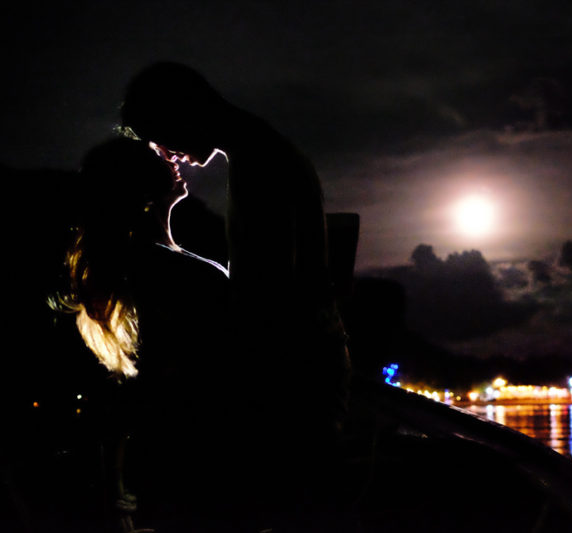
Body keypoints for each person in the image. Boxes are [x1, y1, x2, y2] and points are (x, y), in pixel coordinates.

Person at [120, 62, 352, 530]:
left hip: (294, 382)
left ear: (182, 110)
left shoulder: (259, 164)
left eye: (159, 135)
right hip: (304, 370)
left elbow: (265, 296)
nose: (168, 154)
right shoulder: (261, 153)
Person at [55, 137, 233, 531]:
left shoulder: (141, 264)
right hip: (202, 459)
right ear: (137, 185)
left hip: (171, 460)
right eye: (156, 156)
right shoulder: (173, 272)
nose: (171, 155)